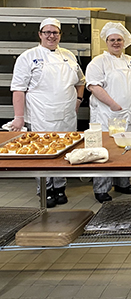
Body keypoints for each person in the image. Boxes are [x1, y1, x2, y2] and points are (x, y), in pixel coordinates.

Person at [10, 18, 85, 208]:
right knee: (43, 152)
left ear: (60, 35)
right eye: (47, 32)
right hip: (41, 114)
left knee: (66, 151)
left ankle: (60, 187)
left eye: (55, 32)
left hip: (67, 115)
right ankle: (45, 189)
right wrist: (19, 118)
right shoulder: (27, 57)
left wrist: (77, 100)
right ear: (40, 34)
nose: (51, 36)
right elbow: (18, 89)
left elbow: (80, 81)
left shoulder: (69, 55)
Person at [86, 22, 131, 203]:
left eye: (119, 39)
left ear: (124, 41)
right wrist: (112, 104)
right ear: (106, 41)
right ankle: (102, 188)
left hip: (129, 114)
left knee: (127, 148)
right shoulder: (98, 62)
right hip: (108, 114)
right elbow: (94, 86)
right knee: (105, 149)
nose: (116, 43)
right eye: (112, 39)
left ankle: (123, 182)